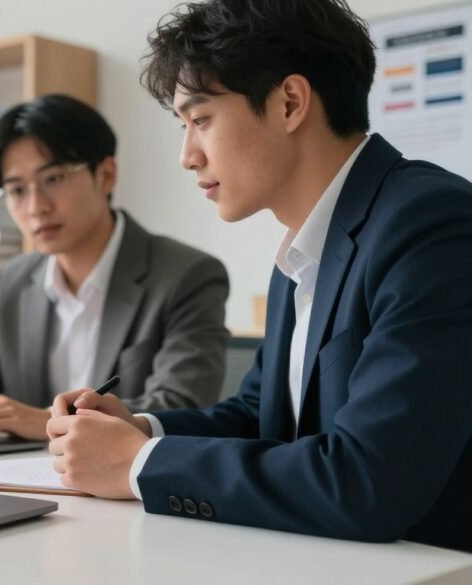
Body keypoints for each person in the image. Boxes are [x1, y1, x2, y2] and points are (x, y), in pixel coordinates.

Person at [48, 0, 472, 552]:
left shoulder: (432, 225)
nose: (187, 156)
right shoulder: (303, 246)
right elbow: (263, 416)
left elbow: (369, 481)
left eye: (200, 119)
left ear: (290, 102)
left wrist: (137, 464)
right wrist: (142, 431)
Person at [0, 94, 230, 443]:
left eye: (53, 179)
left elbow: (180, 406)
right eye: (17, 190)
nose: (36, 207)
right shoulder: (14, 279)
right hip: (21, 483)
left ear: (106, 174)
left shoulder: (186, 275)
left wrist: (43, 422)